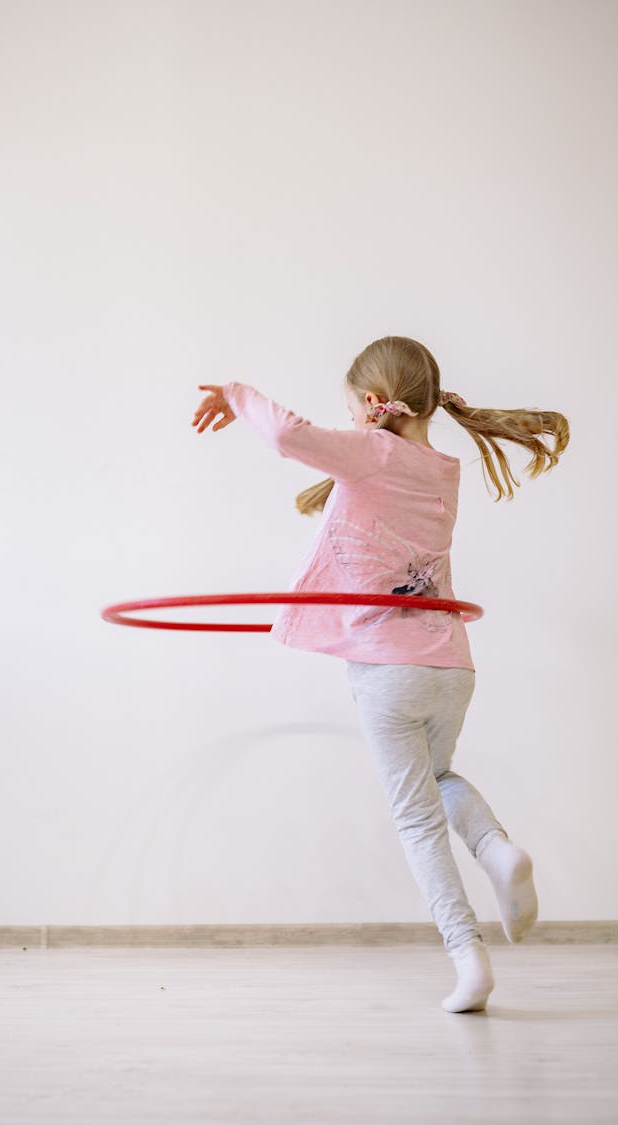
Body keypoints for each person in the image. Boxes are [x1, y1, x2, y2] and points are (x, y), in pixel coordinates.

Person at [190, 334, 570, 1013]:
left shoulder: (371, 451)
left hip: (388, 670)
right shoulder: (442, 468)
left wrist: (235, 393)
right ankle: (496, 847)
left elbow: (285, 434)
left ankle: (469, 960)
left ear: (371, 404)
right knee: (442, 775)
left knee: (416, 820)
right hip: (451, 663)